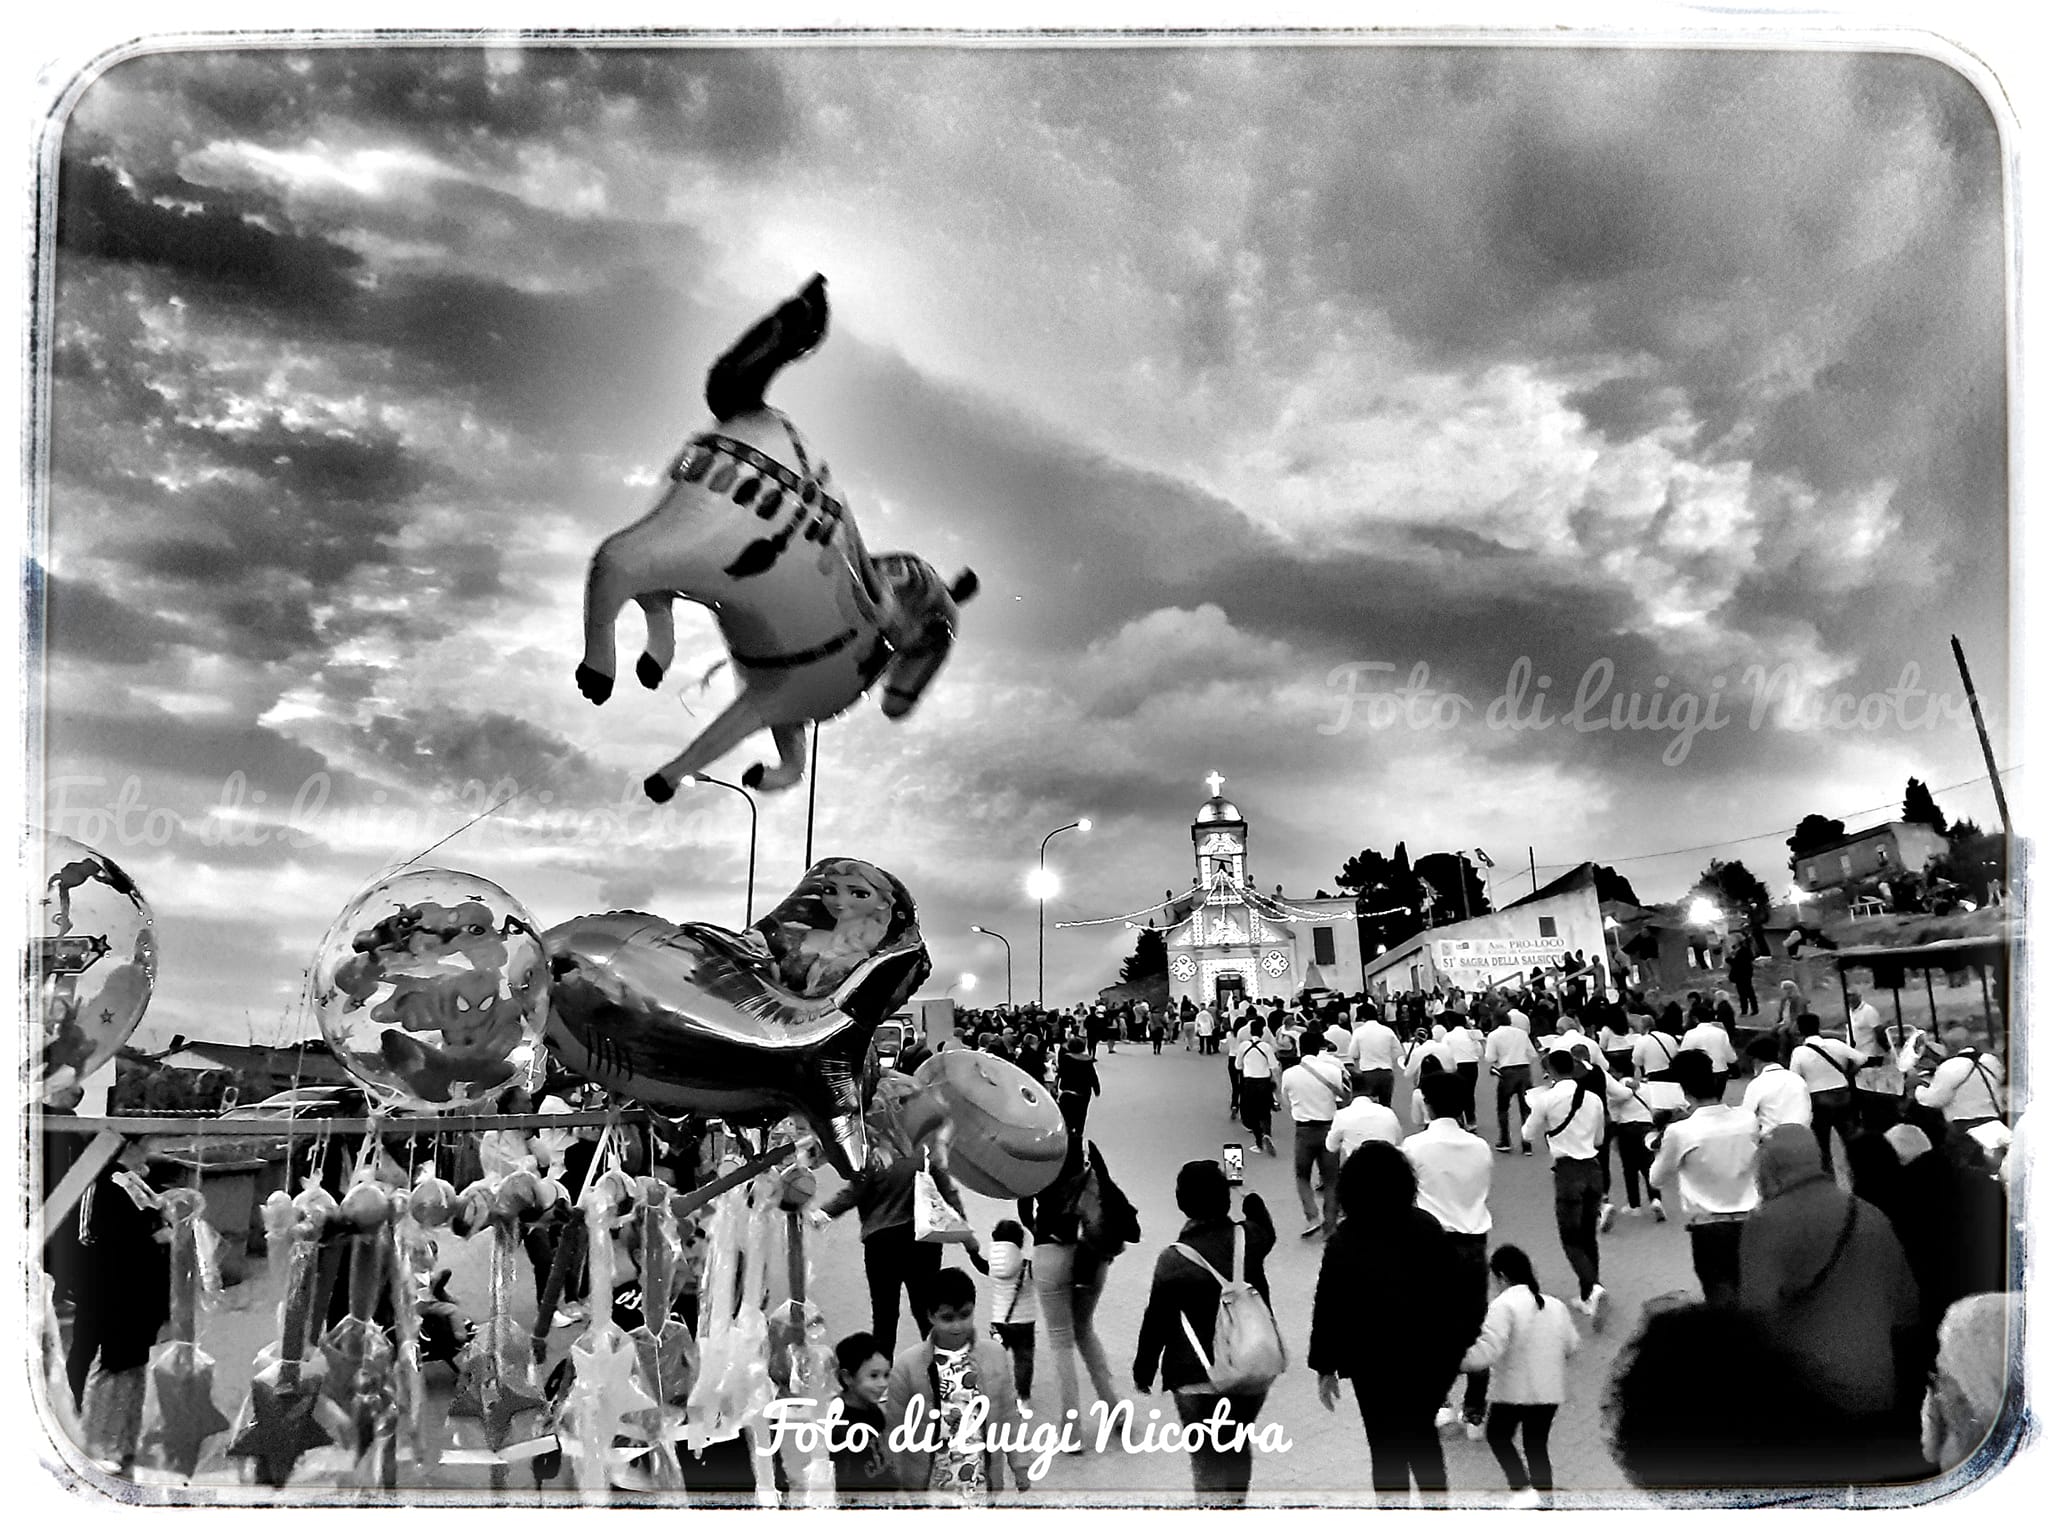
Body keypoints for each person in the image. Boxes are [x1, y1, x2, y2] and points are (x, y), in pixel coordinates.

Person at [1738, 1125, 1923, 1466]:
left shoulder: (1766, 1224)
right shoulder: (1869, 1215)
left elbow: (1755, 1318)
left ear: (1771, 1165)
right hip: (1875, 1386)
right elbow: (1907, 1309)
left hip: (1805, 1395)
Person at [1309, 1143, 1471, 1505]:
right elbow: (1453, 1292)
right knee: (1423, 1441)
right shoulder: (1427, 1228)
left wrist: (1324, 1367)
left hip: (1371, 1365)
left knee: (1383, 1448)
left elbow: (1329, 1306)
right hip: (1425, 1358)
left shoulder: (1344, 1241)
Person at [1133, 1161, 1277, 1506]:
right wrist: (1248, 1194)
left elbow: (1158, 1319)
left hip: (1195, 1375)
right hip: (1249, 1368)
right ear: (1225, 1199)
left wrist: (1144, 1369)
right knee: (1237, 1445)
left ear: (1182, 1202)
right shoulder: (1250, 1238)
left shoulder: (1174, 1259)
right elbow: (1265, 1225)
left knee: (1206, 1459)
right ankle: (1236, 1511)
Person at [812, 1112, 980, 1360]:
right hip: (922, 1242)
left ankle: (882, 1376)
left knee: (884, 1315)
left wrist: (822, 1214)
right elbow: (948, 1194)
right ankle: (941, 1369)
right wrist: (968, 1239)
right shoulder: (922, 1152)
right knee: (926, 1311)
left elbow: (852, 1194)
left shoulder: (870, 1158)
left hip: (881, 1245)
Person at [63, 1138, 171, 1468]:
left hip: (138, 1293)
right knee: (113, 1366)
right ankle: (97, 1444)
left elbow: (146, 1220)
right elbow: (101, 1239)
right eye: (147, 1141)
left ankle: (123, 1439)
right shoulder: (106, 1182)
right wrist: (152, 1238)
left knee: (132, 1367)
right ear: (131, 1144)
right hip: (116, 1291)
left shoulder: (133, 1180)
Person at [883, 1268, 1033, 1501]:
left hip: (980, 1481)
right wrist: (896, 1486)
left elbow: (1009, 1416)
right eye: (947, 1318)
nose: (957, 1326)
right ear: (930, 1316)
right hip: (928, 1488)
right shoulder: (908, 1366)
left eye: (965, 1315)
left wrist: (1020, 1465)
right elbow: (895, 1431)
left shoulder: (994, 1355)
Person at [1404, 1071, 1495, 1441]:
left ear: (1425, 1101)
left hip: (1430, 1245)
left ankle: (1440, 1404)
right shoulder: (1480, 1147)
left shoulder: (1412, 1147)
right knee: (1474, 1325)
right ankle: (1475, 1408)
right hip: (1474, 1241)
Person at [1026, 1132, 1136, 1429]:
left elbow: (1026, 1213)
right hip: (1091, 1255)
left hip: (1051, 1251)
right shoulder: (1088, 1161)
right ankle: (1115, 1408)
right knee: (1085, 1329)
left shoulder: (1036, 1164)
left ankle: (1071, 1428)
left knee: (1061, 1341)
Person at [1460, 1245, 1581, 1508]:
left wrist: (1456, 1362)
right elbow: (1572, 1345)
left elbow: (1488, 1351)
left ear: (1501, 1276)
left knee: (1498, 1436)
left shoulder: (1504, 1306)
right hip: (1550, 1390)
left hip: (1515, 1390)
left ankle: (1523, 1492)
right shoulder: (1555, 1305)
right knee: (1536, 1446)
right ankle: (1545, 1502)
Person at [1648, 1050, 1761, 1306]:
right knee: (1753, 1296)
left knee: (1721, 1299)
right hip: (1752, 1221)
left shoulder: (1680, 1131)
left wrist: (1663, 1134)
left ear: (1682, 1089)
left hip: (1710, 1227)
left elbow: (1656, 1178)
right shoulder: (1748, 1119)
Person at [1521, 1049, 1610, 1327]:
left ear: (1551, 1070)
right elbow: (1599, 1138)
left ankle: (1592, 1287)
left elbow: (1527, 1133)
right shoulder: (1593, 1098)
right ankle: (1588, 1293)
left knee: (1570, 1237)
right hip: (1593, 1167)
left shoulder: (1546, 1099)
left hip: (1567, 1171)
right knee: (1588, 1234)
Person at [1279, 1031, 1348, 1237]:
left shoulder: (1289, 1074)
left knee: (1302, 1175)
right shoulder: (1332, 1070)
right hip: (1329, 1128)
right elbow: (1343, 1098)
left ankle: (1312, 1217)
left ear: (1300, 1047)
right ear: (1320, 1047)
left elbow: (1286, 1101)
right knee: (1331, 1178)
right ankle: (1330, 1223)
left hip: (1304, 1130)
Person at [1787, 1014, 1865, 1177]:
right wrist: (1849, 1075)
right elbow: (1862, 1059)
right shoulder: (1835, 1044)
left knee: (1822, 1141)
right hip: (1843, 1094)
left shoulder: (1799, 1052)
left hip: (1818, 1098)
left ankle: (1828, 1174)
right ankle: (1857, 1170)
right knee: (1849, 1137)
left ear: (1800, 1030)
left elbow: (1794, 1078)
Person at [831, 1331, 900, 1495]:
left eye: (886, 1375)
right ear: (847, 1377)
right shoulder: (839, 1422)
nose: (883, 1384)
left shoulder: (874, 1411)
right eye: (874, 1376)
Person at [1910, 1024, 2005, 1133]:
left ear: (1950, 1046)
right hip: (1995, 1121)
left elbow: (1935, 1100)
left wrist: (1918, 1088)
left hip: (1964, 1126)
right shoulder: (1991, 1060)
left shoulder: (1950, 1066)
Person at [986, 1218, 1037, 1402]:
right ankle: (1023, 1396)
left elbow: (979, 1263)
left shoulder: (992, 1265)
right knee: (1023, 1360)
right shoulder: (1027, 1266)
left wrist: (971, 1250)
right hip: (1025, 1321)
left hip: (999, 1320)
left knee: (995, 1359)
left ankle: (992, 1392)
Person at [1483, 1009, 1539, 1156]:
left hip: (1506, 1073)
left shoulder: (1493, 1035)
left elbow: (1489, 1058)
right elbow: (1533, 1054)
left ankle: (1505, 1140)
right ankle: (1527, 1144)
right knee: (1525, 1109)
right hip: (1524, 1071)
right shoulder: (1521, 1033)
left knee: (1503, 1108)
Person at [1739, 1036, 1812, 1135]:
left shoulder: (1757, 1084)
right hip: (1803, 1137)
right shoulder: (1797, 1079)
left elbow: (1746, 1117)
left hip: (1773, 1140)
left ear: (1755, 1061)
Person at [1236, 1019, 1280, 1154]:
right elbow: (1274, 1066)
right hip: (1264, 1082)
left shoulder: (1243, 1046)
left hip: (1249, 1082)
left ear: (1250, 1032)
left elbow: (1237, 1065)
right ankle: (1267, 1133)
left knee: (1252, 1112)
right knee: (1265, 1111)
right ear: (1262, 1033)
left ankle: (1258, 1142)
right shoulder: (1266, 1047)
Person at [1347, 1008, 1402, 1109]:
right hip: (1386, 1072)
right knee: (1386, 1105)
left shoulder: (1359, 1032)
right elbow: (1398, 1052)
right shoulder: (1387, 1031)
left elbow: (1353, 1054)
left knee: (1369, 1106)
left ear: (1363, 1018)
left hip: (1367, 1073)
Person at [1678, 1009, 1739, 1100]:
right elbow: (1730, 1056)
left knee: (1701, 1100)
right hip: (1720, 1071)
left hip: (1699, 1072)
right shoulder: (1721, 1033)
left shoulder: (1691, 1034)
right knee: (1717, 1099)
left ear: (1695, 1019)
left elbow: (1684, 1055)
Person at [1056, 1028, 1101, 1135]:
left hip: (1068, 1089)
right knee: (1082, 1112)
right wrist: (1096, 1088)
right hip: (1084, 1091)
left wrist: (1056, 1085)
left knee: (1066, 1112)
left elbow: (1061, 1073)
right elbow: (1093, 1076)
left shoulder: (1066, 1059)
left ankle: (1068, 1129)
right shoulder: (1087, 1061)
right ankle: (1079, 1131)